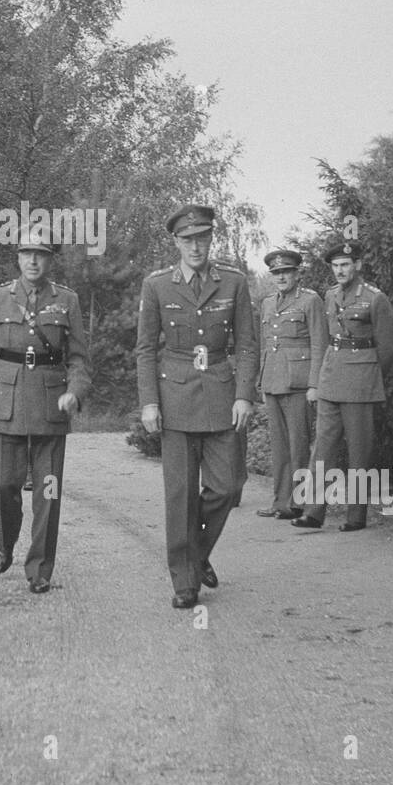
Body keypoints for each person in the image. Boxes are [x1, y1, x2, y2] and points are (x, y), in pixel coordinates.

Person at [136, 204, 257, 608]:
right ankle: (184, 582)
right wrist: (149, 403)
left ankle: (197, 553)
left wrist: (244, 395)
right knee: (180, 494)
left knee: (228, 486)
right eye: (187, 240)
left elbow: (246, 345)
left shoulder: (234, 283)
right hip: (175, 396)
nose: (195, 246)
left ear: (210, 240)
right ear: (176, 242)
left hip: (222, 394)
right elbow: (145, 350)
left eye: (202, 238)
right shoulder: (157, 286)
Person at [0, 230, 91, 594]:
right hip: (5, 406)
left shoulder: (66, 300)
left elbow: (80, 359)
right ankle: (7, 539)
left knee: (48, 494)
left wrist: (74, 392)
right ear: (18, 258)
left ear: (51, 259)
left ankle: (39, 569)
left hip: (50, 410)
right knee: (2, 483)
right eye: (27, 254)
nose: (33, 261)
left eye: (41, 254)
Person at [294, 237, 393, 532]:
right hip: (331, 377)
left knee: (359, 451)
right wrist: (320, 378)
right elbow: (325, 340)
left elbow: (386, 349)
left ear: (358, 265)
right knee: (322, 447)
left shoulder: (375, 298)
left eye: (345, 265)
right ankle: (313, 511)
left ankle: (356, 515)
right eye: (336, 266)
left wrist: (370, 377)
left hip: (361, 382)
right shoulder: (329, 296)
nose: (340, 270)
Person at [255, 248, 325, 521]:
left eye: (286, 272)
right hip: (273, 381)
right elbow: (265, 346)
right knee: (279, 446)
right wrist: (262, 382)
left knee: (299, 444)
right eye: (276, 273)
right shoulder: (268, 303)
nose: (281, 277)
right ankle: (280, 502)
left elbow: (320, 344)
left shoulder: (310, 301)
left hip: (298, 382)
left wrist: (314, 384)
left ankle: (300, 503)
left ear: (297, 273)